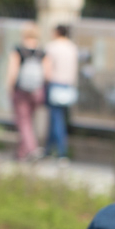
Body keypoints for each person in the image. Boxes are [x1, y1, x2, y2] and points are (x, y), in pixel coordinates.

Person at [6, 23, 43, 162]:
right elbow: (47, 73)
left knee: (23, 121)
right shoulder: (41, 52)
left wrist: (9, 87)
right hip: (36, 91)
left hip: (21, 90)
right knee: (28, 121)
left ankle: (32, 149)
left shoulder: (19, 50)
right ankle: (21, 153)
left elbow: (13, 71)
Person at [43, 25, 77, 164]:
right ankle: (48, 149)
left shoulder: (52, 47)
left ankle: (62, 151)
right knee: (56, 118)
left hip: (55, 84)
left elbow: (47, 68)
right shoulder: (72, 47)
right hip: (67, 85)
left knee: (56, 119)